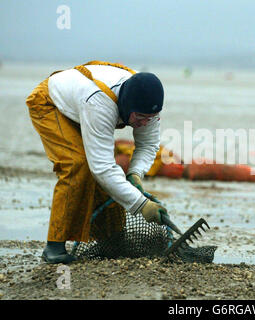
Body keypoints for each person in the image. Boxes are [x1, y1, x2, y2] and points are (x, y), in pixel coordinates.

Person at [26, 61, 168, 264]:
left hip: (80, 103)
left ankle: (113, 239)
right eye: (141, 117)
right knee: (78, 165)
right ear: (127, 105)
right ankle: (54, 247)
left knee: (114, 174)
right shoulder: (100, 103)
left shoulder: (148, 104)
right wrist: (142, 205)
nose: (145, 122)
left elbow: (147, 145)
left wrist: (134, 174)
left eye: (151, 118)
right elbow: (101, 168)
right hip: (50, 103)